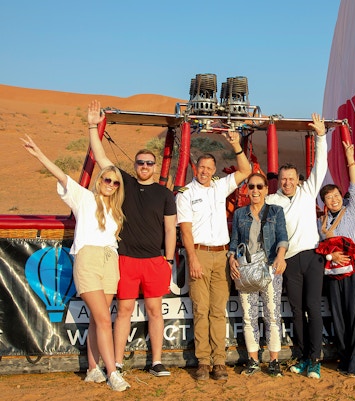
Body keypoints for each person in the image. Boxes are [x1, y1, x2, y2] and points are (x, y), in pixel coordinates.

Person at [21, 135, 130, 391]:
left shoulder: (116, 209)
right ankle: (112, 371)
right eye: (107, 179)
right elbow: (61, 176)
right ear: (99, 180)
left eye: (115, 182)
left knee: (96, 319)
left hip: (109, 260)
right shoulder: (83, 198)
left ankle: (93, 369)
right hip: (88, 259)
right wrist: (39, 154)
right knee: (104, 319)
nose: (111, 184)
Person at [87, 100, 177, 377]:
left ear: (154, 166)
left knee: (154, 310)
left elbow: (171, 228)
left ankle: (157, 361)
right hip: (125, 259)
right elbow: (102, 158)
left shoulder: (165, 194)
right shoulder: (122, 182)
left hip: (154, 260)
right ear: (135, 165)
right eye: (140, 163)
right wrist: (93, 126)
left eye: (149, 163)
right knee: (123, 310)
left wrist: (169, 260)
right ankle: (116, 362)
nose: (145, 166)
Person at [176, 134, 251, 381]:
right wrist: (193, 259)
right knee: (201, 310)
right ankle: (203, 362)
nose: (205, 171)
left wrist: (236, 144)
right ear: (195, 168)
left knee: (218, 311)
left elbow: (246, 169)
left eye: (210, 168)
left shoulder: (220, 186)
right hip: (199, 254)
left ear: (214, 170)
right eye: (202, 167)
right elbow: (185, 230)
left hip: (221, 255)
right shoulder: (185, 193)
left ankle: (219, 362)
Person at [265, 112, 328, 379]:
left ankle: (315, 358)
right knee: (296, 309)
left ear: (298, 180)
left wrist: (321, 137)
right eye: (284, 179)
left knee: (313, 307)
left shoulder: (307, 192)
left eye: (292, 178)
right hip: (288, 262)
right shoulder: (272, 201)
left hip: (312, 257)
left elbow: (320, 167)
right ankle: (303, 355)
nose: (288, 183)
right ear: (279, 181)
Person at [228, 173, 288, 377]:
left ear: (266, 189)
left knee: (272, 315)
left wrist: (281, 257)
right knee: (248, 316)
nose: (255, 190)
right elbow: (234, 241)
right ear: (246, 189)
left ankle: (274, 361)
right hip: (246, 268)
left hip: (270, 267)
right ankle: (253, 360)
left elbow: (282, 237)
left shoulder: (276, 211)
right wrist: (231, 258)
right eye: (251, 186)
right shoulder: (239, 214)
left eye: (259, 186)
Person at [317, 140, 355, 377]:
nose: (334, 199)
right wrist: (330, 254)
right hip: (334, 273)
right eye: (329, 198)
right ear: (324, 203)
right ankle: (346, 358)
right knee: (338, 316)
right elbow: (320, 247)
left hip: (354, 270)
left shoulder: (351, 211)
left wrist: (350, 159)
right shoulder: (322, 223)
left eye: (336, 195)